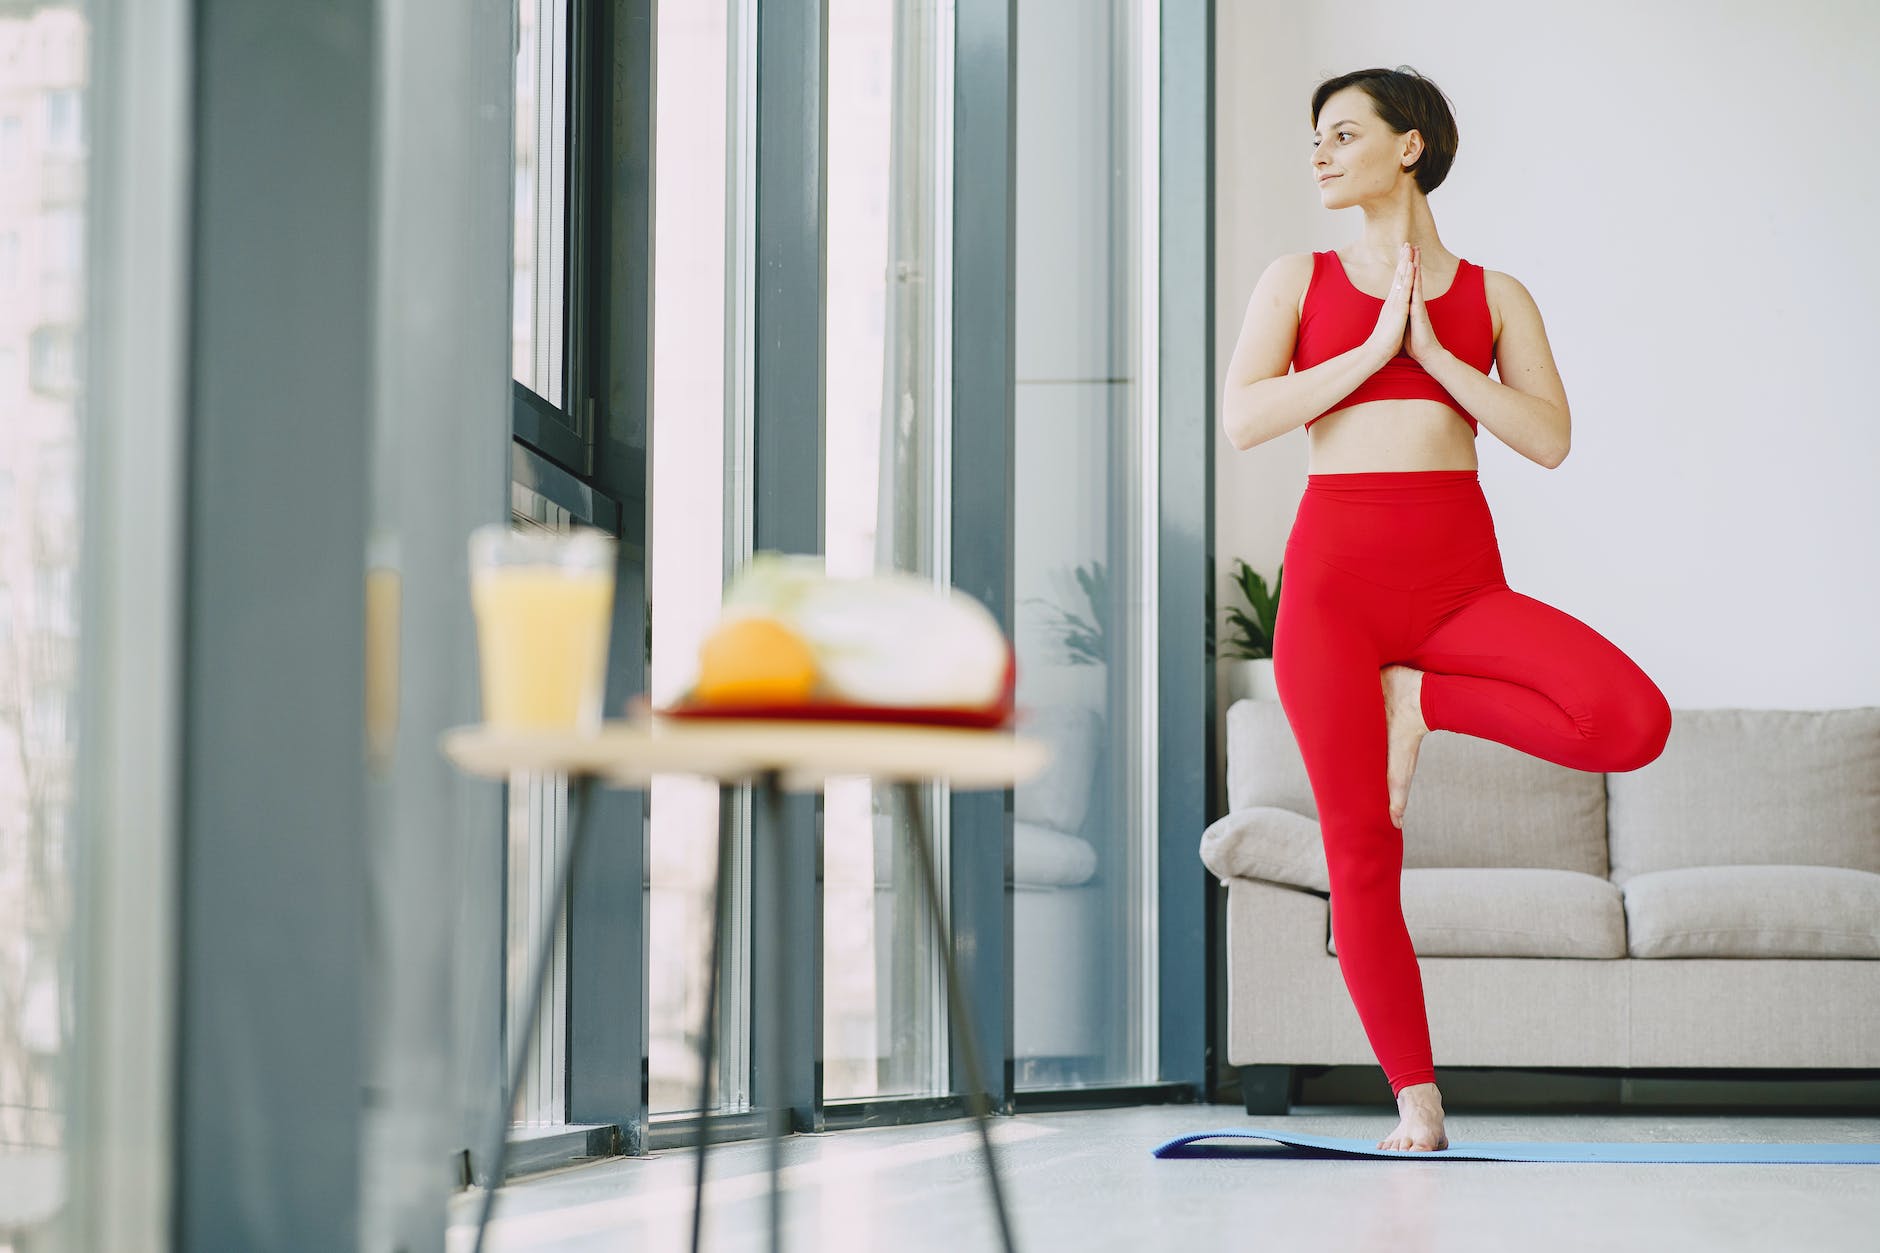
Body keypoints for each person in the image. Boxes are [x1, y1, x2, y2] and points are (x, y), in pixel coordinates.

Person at [1219, 66, 1672, 1153]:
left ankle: (1416, 698)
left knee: (1627, 719)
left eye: (1342, 133)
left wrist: (1429, 354)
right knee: (1361, 851)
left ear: (1409, 144)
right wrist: (1373, 350)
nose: (1319, 153)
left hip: (1458, 587)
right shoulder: (1296, 277)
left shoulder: (1494, 294)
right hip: (1331, 597)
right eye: (1312, 139)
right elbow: (1244, 419)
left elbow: (1546, 438)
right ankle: (1414, 1095)